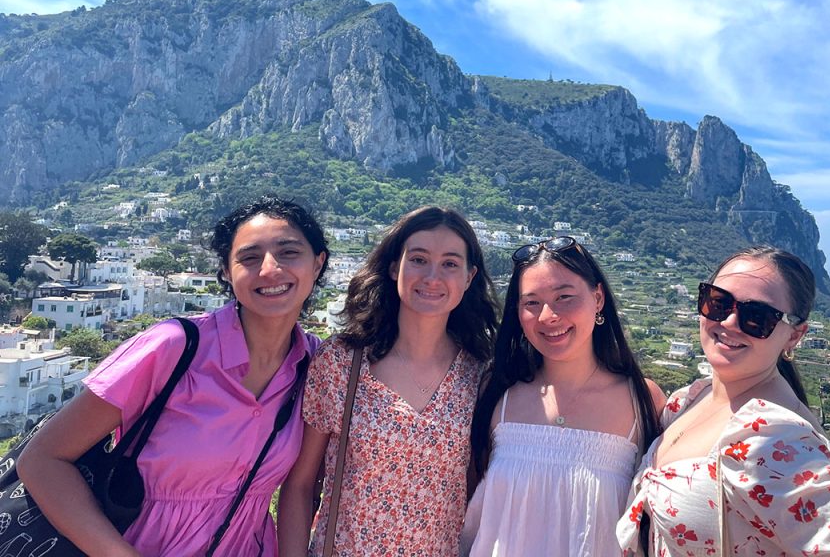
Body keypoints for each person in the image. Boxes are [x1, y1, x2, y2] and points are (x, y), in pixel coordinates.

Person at [18, 195, 330, 556]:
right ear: (227, 272)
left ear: (317, 264)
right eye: (249, 257)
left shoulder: (315, 366)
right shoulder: (174, 348)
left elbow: (299, 489)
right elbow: (43, 459)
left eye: (289, 252)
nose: (270, 268)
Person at [617, 245, 830, 556]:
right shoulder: (689, 400)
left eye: (757, 317)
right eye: (718, 302)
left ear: (794, 335)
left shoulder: (771, 437)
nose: (729, 322)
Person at [277, 206, 499, 556]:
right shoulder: (342, 363)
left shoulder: (480, 376)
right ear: (395, 267)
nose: (432, 277)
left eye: (450, 264)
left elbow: (475, 496)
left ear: (469, 277)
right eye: (419, 259)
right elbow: (301, 485)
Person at [461, 236, 666, 557]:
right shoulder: (496, 391)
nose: (548, 315)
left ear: (598, 298)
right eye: (531, 303)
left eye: (564, 297)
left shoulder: (644, 401)